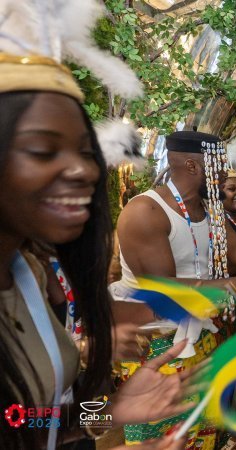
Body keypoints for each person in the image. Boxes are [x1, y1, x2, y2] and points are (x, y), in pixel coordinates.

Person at [0, 19, 197, 450]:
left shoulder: (25, 274)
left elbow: (24, 419)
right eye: (42, 150)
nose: (85, 170)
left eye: (86, 152)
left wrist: (110, 413)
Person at [114, 131, 236, 447]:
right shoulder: (145, 212)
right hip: (157, 347)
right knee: (160, 436)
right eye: (217, 169)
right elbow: (166, 292)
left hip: (202, 336)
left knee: (201, 433)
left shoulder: (211, 210)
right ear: (192, 166)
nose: (223, 177)